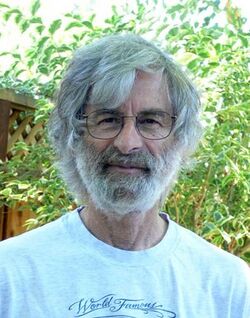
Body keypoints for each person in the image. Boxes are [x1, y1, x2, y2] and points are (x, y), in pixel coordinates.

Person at [0, 34, 249, 318]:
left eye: (150, 121)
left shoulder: (228, 286)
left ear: (180, 139)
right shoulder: (10, 275)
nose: (127, 142)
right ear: (74, 136)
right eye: (108, 119)